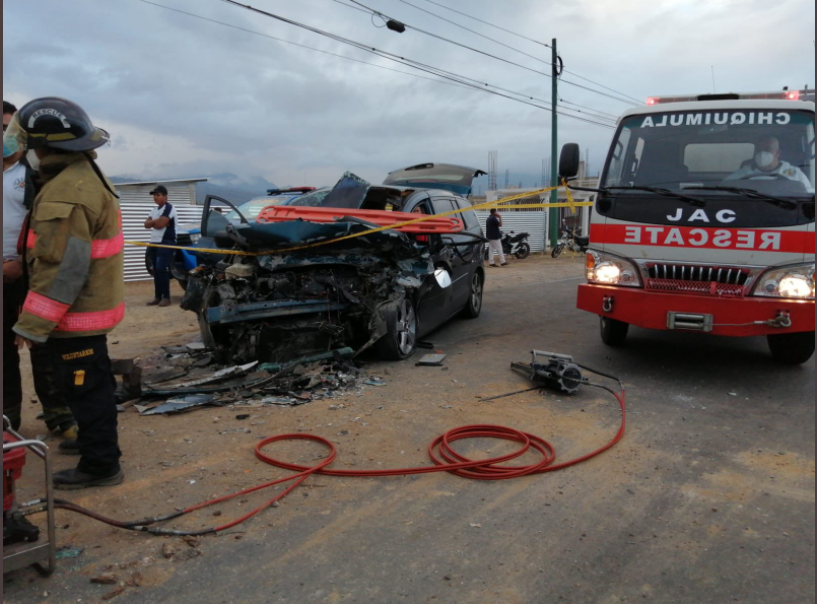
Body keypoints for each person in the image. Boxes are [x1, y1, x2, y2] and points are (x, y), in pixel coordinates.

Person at [4, 97, 125, 489]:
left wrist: (31, 326)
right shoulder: (79, 173)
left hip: (76, 318)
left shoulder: (66, 193)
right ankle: (96, 446)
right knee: (93, 385)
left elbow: (62, 271)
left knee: (86, 390)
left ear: (45, 145)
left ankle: (100, 465)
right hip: (87, 310)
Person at [3, 101, 78, 440]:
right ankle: (8, 421)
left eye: (8, 130)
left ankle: (59, 415)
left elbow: (50, 225)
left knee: (43, 343)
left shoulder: (36, 174)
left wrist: (22, 262)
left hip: (31, 273)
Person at [726, 137, 814, 191]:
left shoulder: (793, 173)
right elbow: (724, 189)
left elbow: (808, 194)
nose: (762, 153)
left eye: (767, 149)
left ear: (778, 153)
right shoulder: (743, 173)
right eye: (758, 149)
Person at [144, 185, 177, 307]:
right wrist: (155, 222)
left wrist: (154, 222)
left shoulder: (170, 208)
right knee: (156, 270)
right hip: (154, 242)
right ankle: (158, 296)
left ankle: (166, 297)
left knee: (162, 268)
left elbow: (159, 225)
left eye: (158, 195)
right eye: (154, 195)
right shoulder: (154, 210)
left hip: (166, 242)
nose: (155, 197)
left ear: (165, 196)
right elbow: (146, 224)